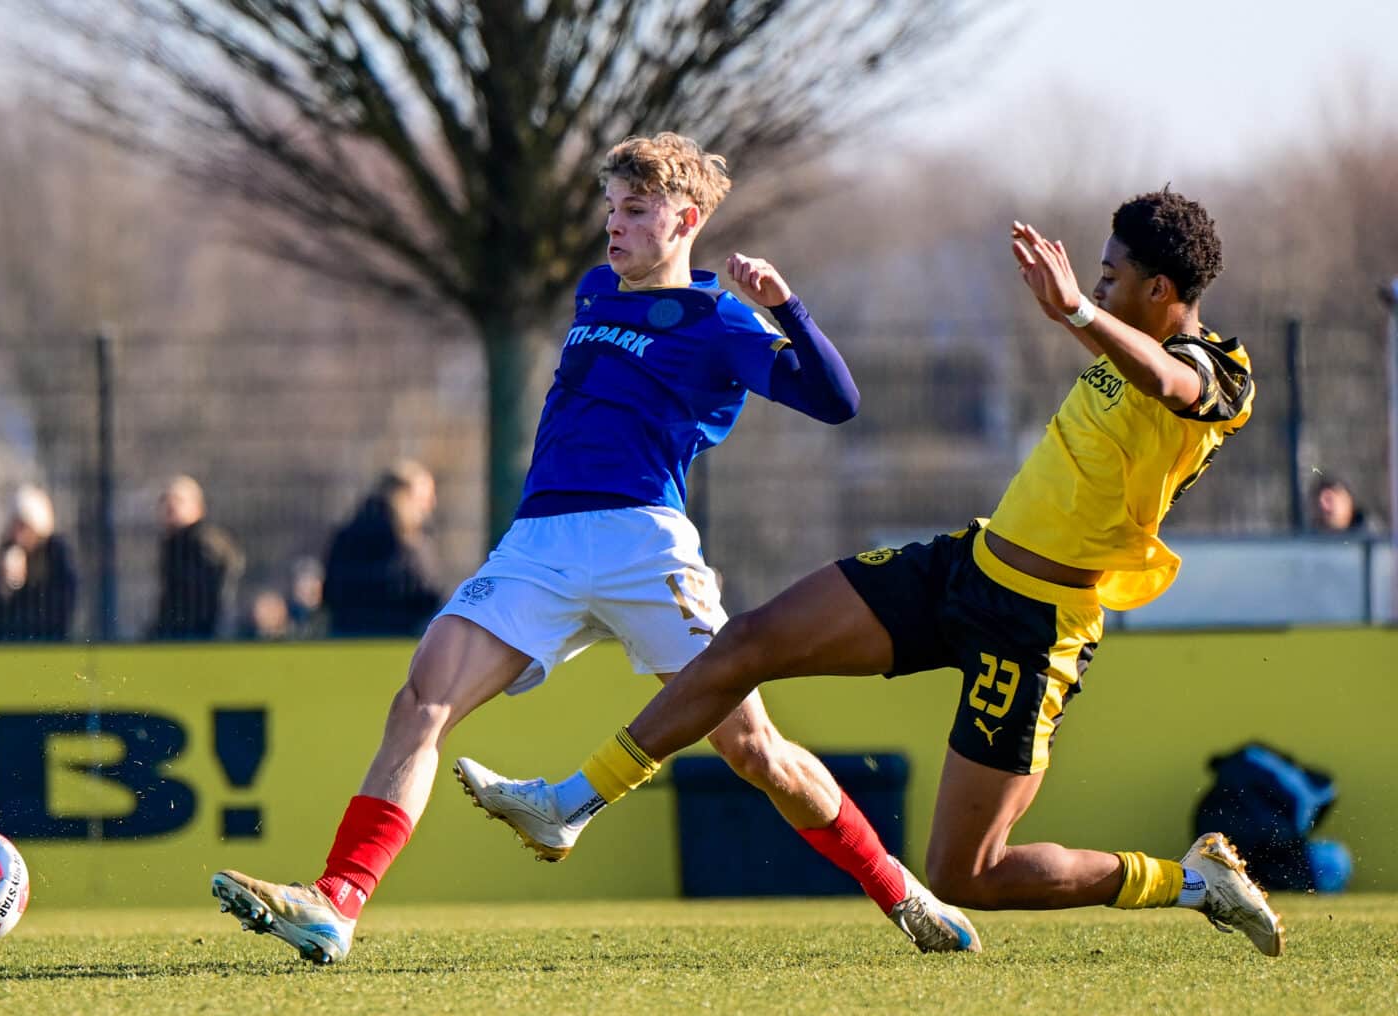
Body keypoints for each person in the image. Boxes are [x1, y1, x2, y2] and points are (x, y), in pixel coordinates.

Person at [209, 132, 976, 964]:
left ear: (685, 220)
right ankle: (336, 902)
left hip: (645, 541)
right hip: (537, 543)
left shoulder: (721, 321)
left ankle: (901, 892)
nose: (614, 227)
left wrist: (787, 307)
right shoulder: (592, 292)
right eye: (610, 209)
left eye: (635, 211)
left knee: (756, 752)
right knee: (419, 701)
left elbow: (837, 401)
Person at [549, 191, 1282, 956]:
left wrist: (1077, 314)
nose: (1096, 288)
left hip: (1036, 628)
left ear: (1160, 291)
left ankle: (1192, 883)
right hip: (965, 566)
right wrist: (1082, 317)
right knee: (747, 642)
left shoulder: (1218, 372)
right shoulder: (1122, 341)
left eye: (1109, 275)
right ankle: (574, 799)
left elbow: (1174, 385)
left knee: (968, 874)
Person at [322, 460, 444, 637]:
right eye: (423, 499)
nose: (430, 505)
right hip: (394, 637)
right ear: (400, 495)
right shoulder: (402, 544)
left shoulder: (348, 534)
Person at [0, 484, 76, 642]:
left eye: (23, 526)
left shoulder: (56, 556)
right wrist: (2, 589)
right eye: (14, 526)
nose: (18, 535)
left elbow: (61, 614)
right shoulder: (4, 556)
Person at [149, 474, 242, 640]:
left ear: (198, 507)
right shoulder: (172, 545)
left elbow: (216, 598)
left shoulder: (205, 544)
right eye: (165, 500)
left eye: (178, 500)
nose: (170, 506)